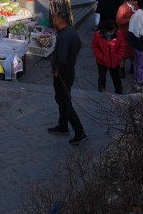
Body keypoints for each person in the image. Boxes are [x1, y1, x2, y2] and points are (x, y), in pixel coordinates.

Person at [48, 10, 86, 145]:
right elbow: (79, 46)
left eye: (54, 18)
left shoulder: (63, 36)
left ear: (59, 20)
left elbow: (62, 58)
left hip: (63, 74)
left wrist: (58, 70)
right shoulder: (72, 31)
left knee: (64, 101)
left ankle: (79, 131)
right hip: (69, 71)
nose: (53, 20)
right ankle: (62, 125)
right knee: (62, 99)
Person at [92, 20, 125, 94]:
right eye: (112, 30)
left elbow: (122, 46)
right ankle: (101, 92)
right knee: (102, 77)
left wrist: (118, 57)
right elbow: (95, 47)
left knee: (116, 78)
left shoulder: (118, 34)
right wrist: (101, 57)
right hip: (102, 62)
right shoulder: (97, 35)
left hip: (115, 61)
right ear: (106, 30)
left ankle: (119, 92)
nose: (114, 31)